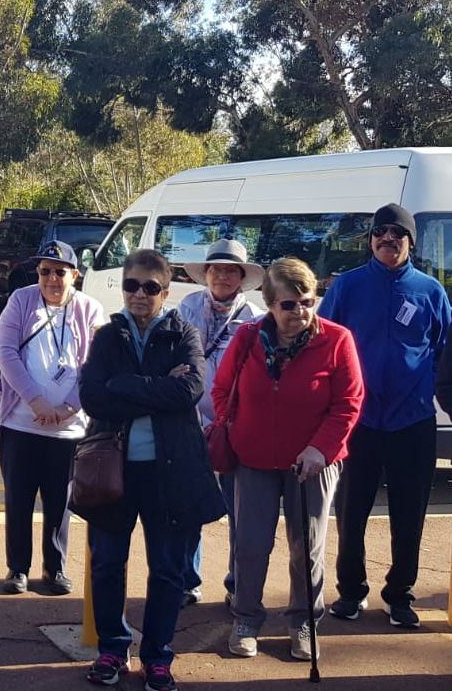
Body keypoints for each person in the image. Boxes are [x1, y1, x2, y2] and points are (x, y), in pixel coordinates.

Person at [78, 249, 224, 691]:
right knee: (107, 564)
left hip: (170, 472)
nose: (139, 295)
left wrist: (123, 384)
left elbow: (189, 390)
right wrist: (157, 388)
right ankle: (112, 650)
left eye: (150, 287)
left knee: (167, 570)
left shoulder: (184, 334)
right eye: (131, 286)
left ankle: (158, 657)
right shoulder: (108, 336)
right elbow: (93, 397)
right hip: (112, 471)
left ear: (165, 291)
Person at [213, 257, 363, 660]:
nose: (300, 312)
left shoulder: (337, 339)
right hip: (253, 458)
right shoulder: (247, 337)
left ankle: (304, 622)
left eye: (308, 302)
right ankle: (246, 619)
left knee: (307, 546)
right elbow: (222, 390)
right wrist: (234, 428)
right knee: (250, 544)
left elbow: (348, 403)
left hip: (312, 463)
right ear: (270, 304)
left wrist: (320, 449)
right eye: (289, 304)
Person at [319, 203, 451, 628]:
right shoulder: (347, 286)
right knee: (351, 511)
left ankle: (400, 595)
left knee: (409, 514)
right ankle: (350, 592)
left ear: (411, 241)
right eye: (380, 232)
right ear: (371, 239)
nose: (387, 238)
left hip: (412, 421)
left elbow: (445, 350)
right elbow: (322, 344)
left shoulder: (430, 291)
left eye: (397, 232)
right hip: (358, 421)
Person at [0, 240, 104, 596]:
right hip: (20, 422)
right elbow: (5, 353)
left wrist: (69, 406)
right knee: (18, 498)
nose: (52, 278)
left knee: (59, 502)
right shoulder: (21, 301)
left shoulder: (90, 309)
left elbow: (96, 364)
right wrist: (36, 401)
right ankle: (17, 568)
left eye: (60, 272)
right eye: (45, 271)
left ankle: (55, 569)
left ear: (74, 275)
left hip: (69, 429)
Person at [176, 239, 264, 606]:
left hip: (235, 427)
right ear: (206, 274)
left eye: (231, 271)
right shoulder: (186, 308)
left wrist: (231, 420)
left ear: (242, 277)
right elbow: (175, 362)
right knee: (187, 507)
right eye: (216, 269)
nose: (222, 277)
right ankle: (186, 581)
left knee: (241, 512)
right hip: (191, 422)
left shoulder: (256, 319)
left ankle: (237, 585)